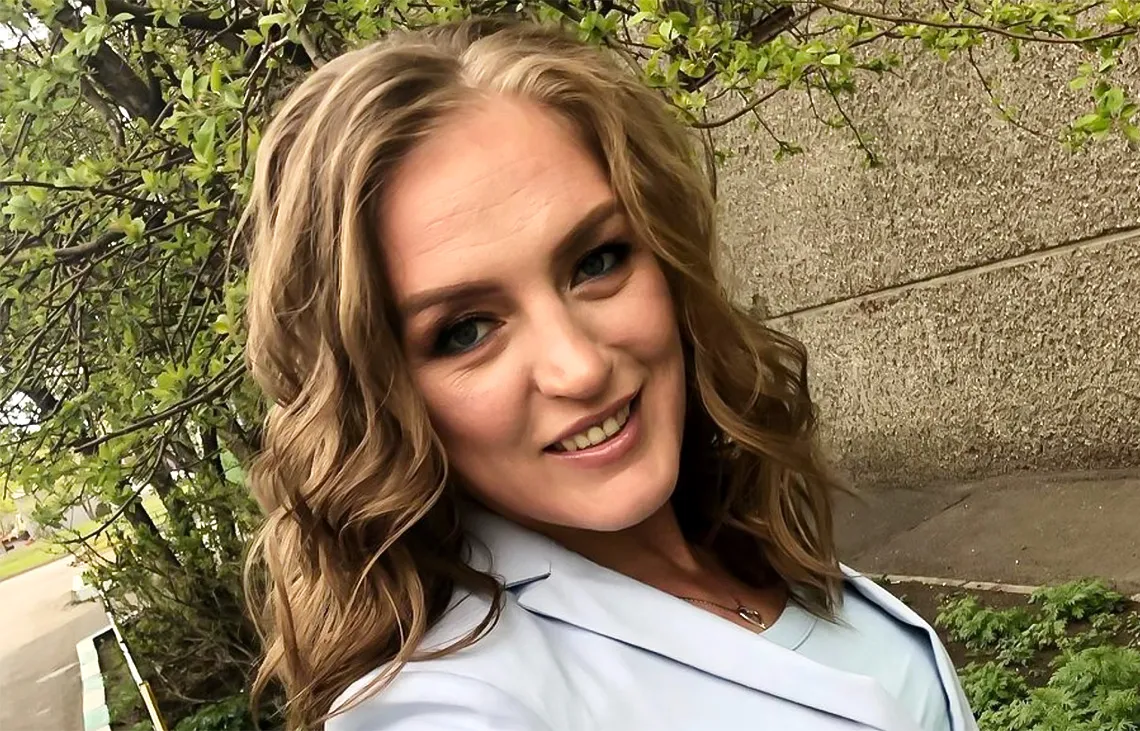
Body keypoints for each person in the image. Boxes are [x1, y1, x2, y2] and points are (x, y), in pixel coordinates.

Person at [241, 17, 979, 731]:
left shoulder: (746, 546)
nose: (581, 366)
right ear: (379, 397)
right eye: (465, 331)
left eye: (596, 262)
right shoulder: (454, 703)